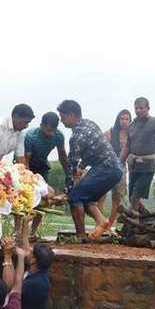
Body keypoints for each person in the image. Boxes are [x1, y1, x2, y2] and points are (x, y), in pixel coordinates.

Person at [57, 99, 123, 241]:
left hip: (105, 168)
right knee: (86, 197)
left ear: (71, 115)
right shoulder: (90, 124)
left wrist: (67, 192)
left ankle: (81, 237)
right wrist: (81, 167)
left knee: (75, 197)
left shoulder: (76, 137)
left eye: (62, 116)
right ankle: (102, 221)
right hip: (115, 169)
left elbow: (70, 168)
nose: (61, 120)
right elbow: (93, 149)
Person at [23, 112, 69, 240]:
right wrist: (29, 180)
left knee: (45, 198)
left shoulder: (58, 136)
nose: (50, 134)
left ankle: (33, 233)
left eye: (53, 130)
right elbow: (25, 159)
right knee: (28, 199)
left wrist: (68, 174)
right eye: (48, 130)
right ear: (41, 125)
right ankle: (21, 232)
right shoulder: (31, 136)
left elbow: (62, 155)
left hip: (43, 166)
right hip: (28, 167)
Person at [99, 109, 132, 228]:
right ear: (118, 120)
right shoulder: (110, 133)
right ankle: (100, 223)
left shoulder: (131, 135)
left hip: (122, 169)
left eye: (126, 119)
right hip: (107, 167)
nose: (124, 121)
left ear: (130, 121)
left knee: (118, 198)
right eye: (122, 119)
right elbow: (100, 147)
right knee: (101, 196)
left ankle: (109, 226)